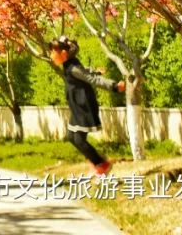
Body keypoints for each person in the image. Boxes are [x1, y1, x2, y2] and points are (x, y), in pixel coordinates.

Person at [49, 36, 126, 175]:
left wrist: (114, 86)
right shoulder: (69, 65)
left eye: (54, 52)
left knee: (78, 139)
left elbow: (91, 79)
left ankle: (102, 165)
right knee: (72, 137)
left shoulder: (72, 68)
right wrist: (95, 70)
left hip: (84, 107)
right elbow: (85, 71)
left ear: (64, 53)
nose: (51, 55)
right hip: (77, 107)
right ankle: (97, 161)